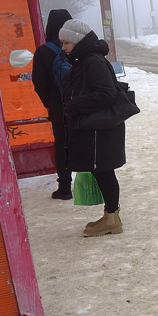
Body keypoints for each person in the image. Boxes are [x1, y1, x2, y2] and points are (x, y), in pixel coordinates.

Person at [58, 19, 126, 237]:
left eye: (66, 42)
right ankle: (110, 216)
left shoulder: (92, 61)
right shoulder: (85, 60)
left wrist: (73, 105)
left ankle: (112, 219)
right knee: (101, 171)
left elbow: (106, 93)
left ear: (77, 41)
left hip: (100, 132)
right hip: (97, 130)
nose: (63, 48)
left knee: (104, 171)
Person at [32, 9, 74, 199]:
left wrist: (50, 102)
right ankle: (93, 184)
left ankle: (64, 188)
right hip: (81, 106)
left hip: (59, 108)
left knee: (62, 146)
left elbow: (39, 83)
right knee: (86, 142)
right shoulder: (76, 47)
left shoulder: (43, 52)